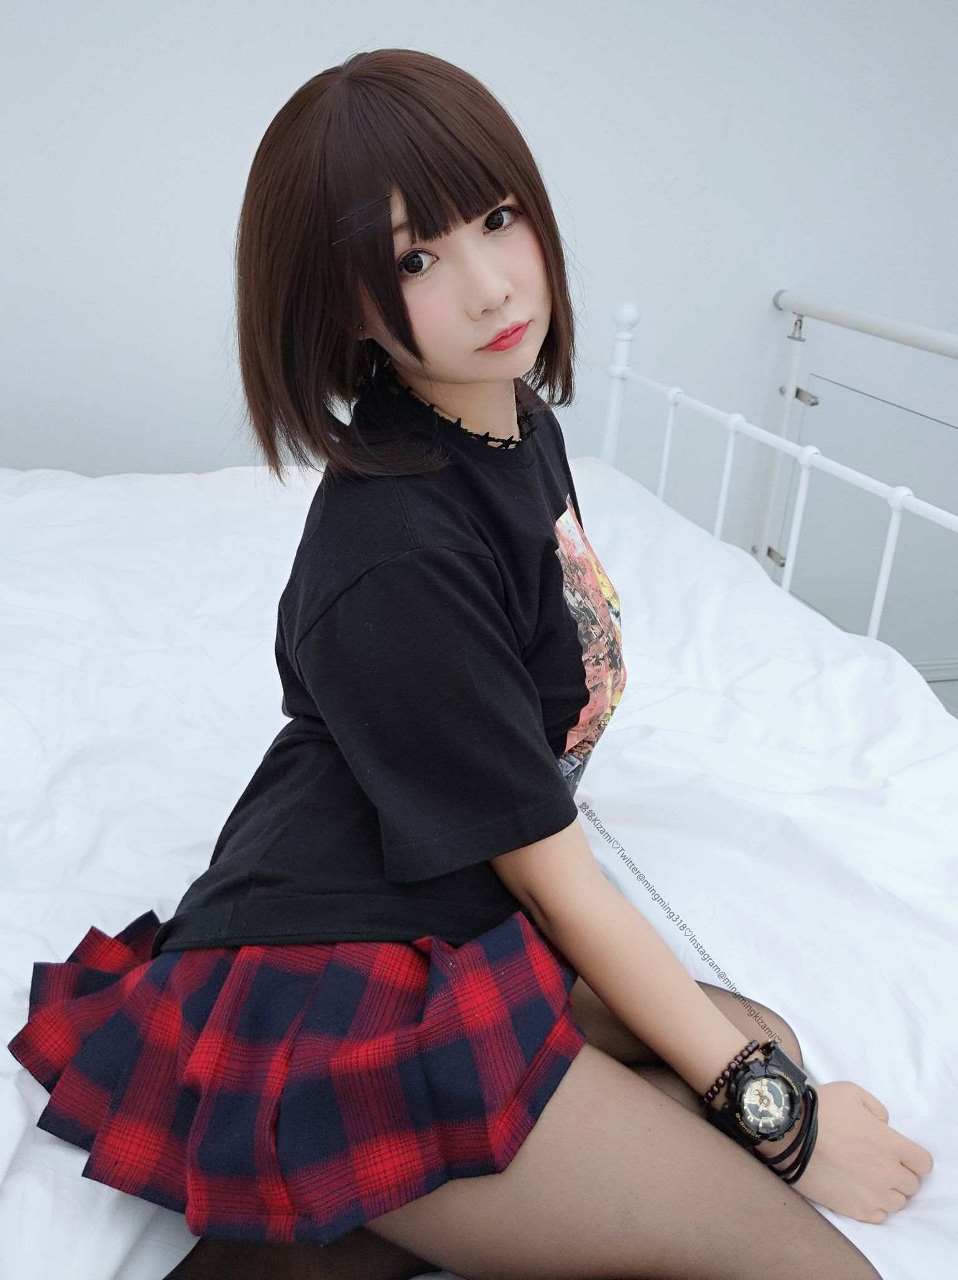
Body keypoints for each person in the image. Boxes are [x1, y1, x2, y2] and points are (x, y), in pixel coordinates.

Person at [6, 48, 931, 1280]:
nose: (491, 283)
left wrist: (757, 1082)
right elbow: (565, 885)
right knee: (811, 1259)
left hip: (454, 916)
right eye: (415, 260)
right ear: (343, 304)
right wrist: (788, 1127)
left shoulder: (506, 422)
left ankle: (317, 1220)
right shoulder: (394, 553)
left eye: (496, 218)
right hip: (334, 979)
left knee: (757, 1037)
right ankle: (307, 1168)